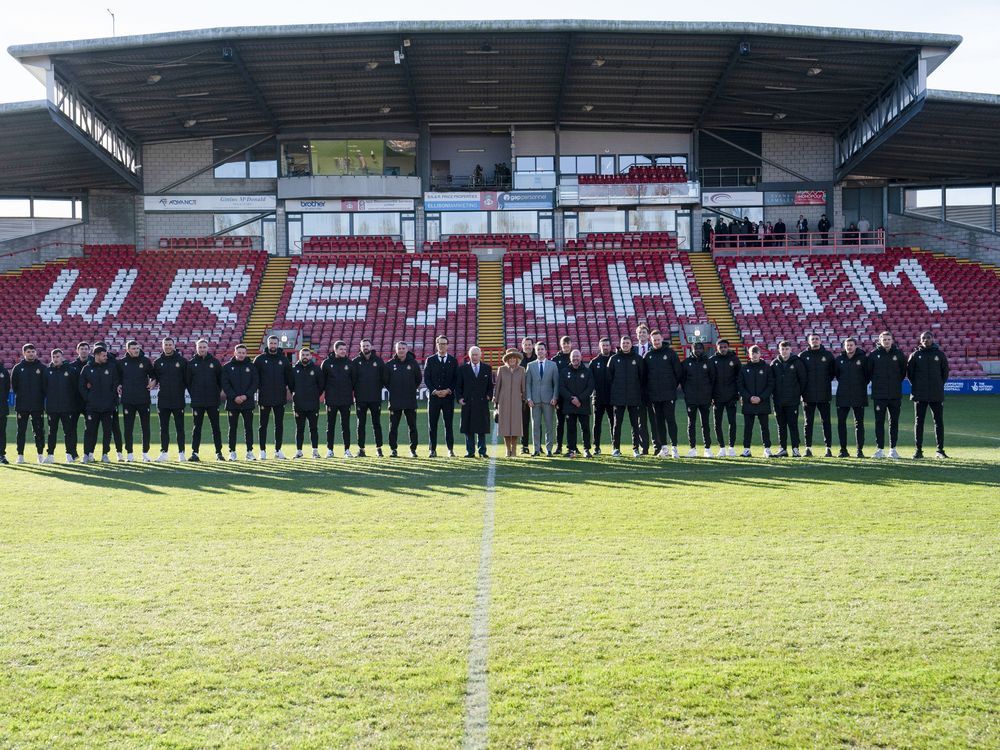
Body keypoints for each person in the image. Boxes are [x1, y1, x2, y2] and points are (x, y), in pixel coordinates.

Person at [907, 331, 949, 459]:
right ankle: (918, 450)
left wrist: (937, 385)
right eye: (923, 338)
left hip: (936, 394)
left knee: (938, 422)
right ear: (920, 340)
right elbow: (910, 374)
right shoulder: (915, 355)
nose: (926, 340)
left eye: (928, 337)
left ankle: (940, 450)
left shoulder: (940, 355)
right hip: (920, 394)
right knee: (919, 422)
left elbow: (945, 374)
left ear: (933, 339)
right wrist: (918, 386)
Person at [866, 331, 906, 459]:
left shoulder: (899, 354)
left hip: (895, 395)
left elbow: (902, 373)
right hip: (879, 395)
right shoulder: (873, 355)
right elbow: (869, 372)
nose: (887, 341)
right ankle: (879, 449)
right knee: (879, 422)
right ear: (880, 340)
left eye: (889, 339)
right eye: (884, 339)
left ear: (892, 340)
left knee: (894, 422)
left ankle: (893, 449)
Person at [643, 329, 682, 458]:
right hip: (654, 396)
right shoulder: (648, 356)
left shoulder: (670, 353)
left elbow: (678, 372)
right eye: (654, 340)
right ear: (651, 341)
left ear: (662, 339)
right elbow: (645, 376)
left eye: (658, 340)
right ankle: (664, 448)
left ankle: (674, 448)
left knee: (670, 420)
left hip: (668, 394)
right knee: (658, 422)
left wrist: (672, 388)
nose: (657, 342)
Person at [79, 345, 120, 463]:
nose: (106, 357)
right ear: (96, 355)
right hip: (92, 407)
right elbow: (81, 386)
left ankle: (105, 454)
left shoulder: (111, 367)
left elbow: (115, 384)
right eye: (104, 355)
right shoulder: (87, 368)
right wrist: (89, 398)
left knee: (107, 432)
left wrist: (111, 399)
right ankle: (87, 454)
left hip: (108, 407)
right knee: (90, 431)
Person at [186, 338, 225, 462]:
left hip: (213, 401)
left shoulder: (215, 362)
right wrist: (195, 394)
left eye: (204, 347)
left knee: (216, 427)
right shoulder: (191, 363)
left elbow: (220, 381)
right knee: (197, 427)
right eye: (200, 347)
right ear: (196, 348)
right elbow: (188, 382)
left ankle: (219, 453)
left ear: (208, 348)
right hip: (198, 402)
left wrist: (215, 393)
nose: (202, 349)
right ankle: (195, 453)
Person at [255, 334, 292, 460]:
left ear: (278, 344)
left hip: (279, 397)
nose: (273, 346)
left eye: (275, 343)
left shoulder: (284, 359)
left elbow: (289, 378)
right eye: (271, 343)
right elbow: (255, 378)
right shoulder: (259, 359)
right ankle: (262, 451)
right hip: (264, 397)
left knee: (279, 425)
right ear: (267, 344)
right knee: (263, 425)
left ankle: (278, 450)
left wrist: (287, 389)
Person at [117, 340, 155, 462]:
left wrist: (153, 381)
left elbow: (154, 375)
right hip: (128, 400)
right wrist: (118, 384)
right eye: (133, 348)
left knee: (146, 427)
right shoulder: (122, 363)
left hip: (143, 399)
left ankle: (145, 453)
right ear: (127, 350)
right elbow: (116, 378)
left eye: (137, 348)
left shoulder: (145, 361)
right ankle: (130, 454)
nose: (136, 350)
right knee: (128, 428)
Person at [799, 333, 836, 457]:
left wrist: (824, 383)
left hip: (824, 394)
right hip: (807, 395)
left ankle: (828, 448)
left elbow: (832, 374)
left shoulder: (828, 355)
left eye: (816, 339)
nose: (814, 341)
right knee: (808, 423)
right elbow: (800, 375)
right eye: (812, 339)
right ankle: (808, 448)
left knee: (826, 422)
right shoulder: (803, 356)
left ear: (820, 341)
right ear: (809, 341)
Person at [608, 335, 645, 458]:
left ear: (631, 344)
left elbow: (642, 378)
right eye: (623, 343)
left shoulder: (638, 359)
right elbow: (610, 378)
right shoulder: (614, 359)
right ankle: (616, 448)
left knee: (635, 424)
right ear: (620, 344)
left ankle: (635, 448)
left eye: (627, 343)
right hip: (618, 398)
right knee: (617, 424)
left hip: (634, 397)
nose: (625, 345)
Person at [153, 337, 188, 462]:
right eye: (165, 344)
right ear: (162, 346)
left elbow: (187, 380)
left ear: (174, 346)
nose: (167, 346)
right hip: (163, 400)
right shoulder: (157, 362)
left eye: (169, 344)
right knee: (164, 428)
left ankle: (181, 453)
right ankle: (164, 452)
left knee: (180, 428)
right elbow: (154, 379)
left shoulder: (182, 361)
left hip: (178, 399)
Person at [222, 344, 259, 461]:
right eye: (239, 352)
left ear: (246, 354)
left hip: (247, 402)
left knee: (248, 428)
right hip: (233, 403)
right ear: (235, 353)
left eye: (243, 353)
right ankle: (232, 452)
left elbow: (255, 383)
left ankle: (249, 452)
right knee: (232, 428)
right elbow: (225, 384)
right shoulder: (227, 367)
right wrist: (234, 397)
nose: (241, 355)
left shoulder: (251, 367)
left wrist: (246, 396)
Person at [423, 335, 458, 458]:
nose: (442, 346)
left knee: (448, 424)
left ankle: (450, 449)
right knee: (432, 425)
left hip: (448, 398)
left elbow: (455, 379)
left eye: (444, 343)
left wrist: (448, 390)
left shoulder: (453, 360)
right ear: (436, 345)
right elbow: (427, 378)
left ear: (447, 345)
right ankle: (432, 450)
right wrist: (434, 391)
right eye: (440, 343)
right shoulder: (430, 360)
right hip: (434, 398)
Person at [11, 344, 46, 464]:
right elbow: (14, 386)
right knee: (21, 431)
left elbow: (45, 386)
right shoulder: (18, 368)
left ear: (35, 352)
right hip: (22, 405)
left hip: (37, 405)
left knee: (39, 430)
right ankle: (20, 455)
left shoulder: (41, 368)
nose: (31, 353)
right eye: (28, 352)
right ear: (24, 353)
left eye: (33, 351)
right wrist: (22, 396)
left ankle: (40, 455)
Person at [384, 341, 421, 458]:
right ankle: (393, 449)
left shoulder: (413, 363)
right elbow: (386, 381)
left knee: (412, 427)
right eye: (399, 348)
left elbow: (418, 379)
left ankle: (413, 450)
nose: (401, 350)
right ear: (395, 350)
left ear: (407, 349)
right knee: (393, 427)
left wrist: (410, 389)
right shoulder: (390, 364)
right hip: (395, 400)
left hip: (410, 400)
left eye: (403, 348)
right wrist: (395, 390)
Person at [834, 337, 869, 458]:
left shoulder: (863, 359)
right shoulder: (839, 359)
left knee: (859, 423)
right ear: (844, 346)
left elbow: (867, 375)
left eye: (851, 345)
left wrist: (858, 385)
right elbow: (838, 375)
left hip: (858, 395)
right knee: (841, 423)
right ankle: (843, 450)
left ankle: (859, 450)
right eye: (847, 345)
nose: (849, 347)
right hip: (843, 395)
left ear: (855, 346)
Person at [770, 340, 806, 457]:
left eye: (786, 349)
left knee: (793, 425)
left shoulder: (797, 362)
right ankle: (783, 449)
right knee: (781, 426)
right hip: (778, 401)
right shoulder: (774, 363)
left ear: (791, 350)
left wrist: (797, 394)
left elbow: (803, 380)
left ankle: (795, 449)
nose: (784, 351)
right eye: (782, 349)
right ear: (779, 350)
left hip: (792, 401)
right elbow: (770, 381)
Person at [456, 346, 493, 458]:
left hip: (482, 403)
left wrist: (489, 396)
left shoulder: (487, 368)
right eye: (473, 354)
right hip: (468, 403)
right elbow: (458, 386)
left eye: (477, 354)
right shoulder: (462, 369)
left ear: (480, 355)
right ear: (469, 355)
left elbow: (490, 386)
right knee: (468, 429)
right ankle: (470, 451)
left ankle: (482, 451)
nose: (475, 357)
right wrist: (459, 398)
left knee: (481, 429)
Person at [322, 340, 357, 458]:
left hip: (346, 400)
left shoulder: (350, 363)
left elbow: (353, 381)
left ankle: (347, 450)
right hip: (331, 400)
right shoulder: (326, 363)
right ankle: (329, 450)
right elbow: (323, 381)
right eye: (341, 349)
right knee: (330, 426)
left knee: (345, 426)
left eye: (344, 349)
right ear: (335, 350)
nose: (343, 351)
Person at [90, 341, 124, 461]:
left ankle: (119, 452)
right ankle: (90, 453)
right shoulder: (91, 362)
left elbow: (118, 378)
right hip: (96, 403)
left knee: (115, 428)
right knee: (92, 428)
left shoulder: (113, 362)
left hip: (111, 402)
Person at [681, 341, 716, 457]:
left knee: (705, 423)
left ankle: (707, 448)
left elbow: (712, 380)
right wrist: (687, 393)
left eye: (700, 348)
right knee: (691, 424)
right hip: (691, 399)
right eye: (696, 348)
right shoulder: (686, 363)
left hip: (705, 398)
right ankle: (692, 448)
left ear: (703, 349)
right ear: (691, 349)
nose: (698, 350)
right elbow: (683, 380)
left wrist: (710, 395)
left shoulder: (709, 362)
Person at [43, 349, 79, 463]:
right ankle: (50, 455)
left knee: (68, 431)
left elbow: (75, 389)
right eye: (53, 356)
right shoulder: (47, 371)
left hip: (67, 407)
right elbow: (44, 388)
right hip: (52, 407)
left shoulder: (70, 370)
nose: (55, 358)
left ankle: (69, 454)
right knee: (51, 432)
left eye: (58, 356)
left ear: (62, 357)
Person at [738, 346, 774, 457]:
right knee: (748, 427)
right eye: (752, 353)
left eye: (756, 353)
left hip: (763, 402)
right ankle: (746, 449)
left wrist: (761, 398)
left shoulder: (767, 368)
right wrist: (749, 398)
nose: (754, 355)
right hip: (748, 403)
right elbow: (740, 385)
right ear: (749, 355)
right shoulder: (744, 368)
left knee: (764, 427)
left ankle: (767, 449)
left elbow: (770, 385)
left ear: (760, 354)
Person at [525, 341, 559, 456]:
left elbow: (556, 383)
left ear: (546, 351)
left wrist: (555, 397)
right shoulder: (530, 365)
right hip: (534, 401)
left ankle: (549, 449)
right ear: (535, 351)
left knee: (549, 425)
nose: (540, 351)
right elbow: (527, 384)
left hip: (549, 400)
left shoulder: (553, 365)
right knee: (535, 426)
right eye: (538, 349)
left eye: (542, 349)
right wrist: (528, 398)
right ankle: (536, 449)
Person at [353, 339, 386, 457]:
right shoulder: (356, 362)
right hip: (360, 399)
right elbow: (353, 379)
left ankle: (379, 448)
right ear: (360, 347)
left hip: (375, 398)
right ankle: (361, 449)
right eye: (363, 346)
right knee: (360, 424)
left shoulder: (378, 361)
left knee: (376, 423)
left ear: (371, 346)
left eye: (367, 345)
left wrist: (376, 388)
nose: (365, 347)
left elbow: (384, 378)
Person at [560, 349, 595, 458]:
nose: (575, 358)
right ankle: (571, 450)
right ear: (570, 358)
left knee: (585, 428)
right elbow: (561, 388)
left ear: (581, 357)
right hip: (569, 405)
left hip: (583, 404)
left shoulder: (587, 371)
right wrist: (572, 399)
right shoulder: (564, 371)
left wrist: (579, 399)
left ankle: (586, 449)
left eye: (577, 356)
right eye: (573, 356)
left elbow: (590, 388)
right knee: (571, 428)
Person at [290, 347, 324, 458]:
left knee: (314, 428)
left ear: (310, 356)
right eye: (303, 355)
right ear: (299, 356)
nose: (305, 357)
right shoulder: (294, 369)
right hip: (299, 405)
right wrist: (298, 395)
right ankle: (299, 451)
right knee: (299, 429)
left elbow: (321, 386)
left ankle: (315, 451)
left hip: (313, 404)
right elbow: (291, 386)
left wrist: (314, 395)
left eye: (307, 355)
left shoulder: (316, 369)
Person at [710, 339, 741, 457]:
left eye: (725, 347)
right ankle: (722, 448)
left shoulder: (734, 359)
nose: (723, 349)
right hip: (717, 397)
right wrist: (711, 396)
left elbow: (740, 378)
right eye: (721, 347)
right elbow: (710, 380)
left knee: (732, 422)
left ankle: (731, 447)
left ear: (728, 347)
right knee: (717, 423)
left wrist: (737, 394)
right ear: (717, 348)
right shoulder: (712, 360)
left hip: (731, 397)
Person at [495, 348, 526, 457]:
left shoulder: (522, 370)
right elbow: (497, 386)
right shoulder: (501, 369)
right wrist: (496, 400)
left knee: (516, 427)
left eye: (514, 357)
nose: (512, 359)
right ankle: (508, 450)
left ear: (517, 359)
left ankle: (514, 449)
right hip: (503, 402)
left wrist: (524, 400)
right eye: (510, 357)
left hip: (517, 401)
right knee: (505, 427)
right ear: (507, 359)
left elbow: (524, 388)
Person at [589, 337, 614, 455]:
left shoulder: (615, 359)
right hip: (598, 398)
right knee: (597, 424)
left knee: (614, 423)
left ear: (610, 346)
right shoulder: (594, 362)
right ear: (600, 347)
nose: (605, 347)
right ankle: (596, 447)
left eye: (607, 345)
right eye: (603, 345)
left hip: (613, 398)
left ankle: (615, 446)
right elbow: (590, 382)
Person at [632, 324, 653, 455]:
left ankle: (658, 446)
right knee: (640, 421)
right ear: (637, 335)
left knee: (655, 419)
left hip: (652, 390)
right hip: (637, 392)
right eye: (640, 333)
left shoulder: (654, 348)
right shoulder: (632, 350)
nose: (642, 335)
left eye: (644, 332)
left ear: (648, 334)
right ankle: (643, 447)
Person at [552, 336, 574, 454]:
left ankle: (572, 447)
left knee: (571, 423)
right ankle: (559, 446)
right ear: (561, 345)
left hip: (571, 397)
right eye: (564, 343)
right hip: (560, 397)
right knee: (560, 423)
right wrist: (554, 396)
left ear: (571, 344)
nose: (566, 345)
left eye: (568, 343)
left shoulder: (575, 357)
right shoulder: (555, 359)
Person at [518, 336, 536, 454]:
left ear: (533, 346)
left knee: (537, 422)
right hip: (522, 395)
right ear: (522, 346)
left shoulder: (538, 357)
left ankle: (538, 445)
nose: (528, 347)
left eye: (530, 344)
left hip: (536, 394)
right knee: (524, 422)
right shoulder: (518, 359)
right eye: (526, 344)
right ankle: (524, 445)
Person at [0, 359, 8, 465]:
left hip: (1, 408)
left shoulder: (3, 371)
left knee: (1, 432)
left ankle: (1, 455)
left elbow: (7, 388)